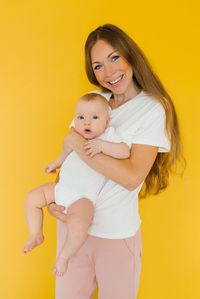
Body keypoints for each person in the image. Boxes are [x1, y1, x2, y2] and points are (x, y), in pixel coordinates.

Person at [47, 24, 185, 299]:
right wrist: (56, 201)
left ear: (130, 55)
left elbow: (132, 176)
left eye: (114, 58)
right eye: (98, 66)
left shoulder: (153, 108)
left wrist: (77, 142)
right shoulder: (95, 100)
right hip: (73, 230)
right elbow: (71, 163)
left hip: (116, 235)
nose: (109, 73)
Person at [22, 92, 131, 276]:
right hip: (61, 188)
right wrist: (55, 164)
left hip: (83, 196)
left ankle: (64, 256)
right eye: (81, 117)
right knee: (32, 197)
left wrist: (102, 146)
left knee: (80, 224)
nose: (86, 122)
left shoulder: (109, 136)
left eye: (94, 118)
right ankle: (35, 234)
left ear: (106, 122)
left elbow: (124, 152)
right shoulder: (75, 136)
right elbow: (65, 154)